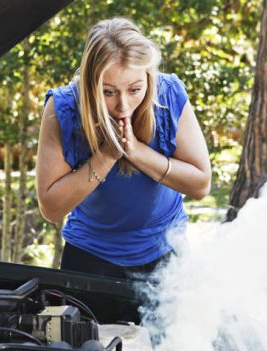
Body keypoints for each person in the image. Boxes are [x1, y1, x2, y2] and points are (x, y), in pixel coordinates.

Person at [35, 18, 211, 279]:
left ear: (148, 78)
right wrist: (107, 155)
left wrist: (138, 152)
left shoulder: (170, 94)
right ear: (89, 85)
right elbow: (51, 209)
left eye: (135, 90)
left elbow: (201, 185)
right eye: (108, 92)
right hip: (90, 257)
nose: (123, 105)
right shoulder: (63, 107)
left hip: (166, 254)